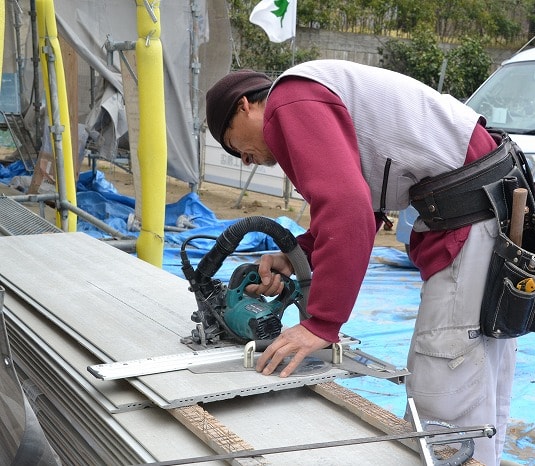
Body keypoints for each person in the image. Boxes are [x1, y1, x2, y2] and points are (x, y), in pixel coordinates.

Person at [205, 60, 517, 466]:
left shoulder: (289, 100)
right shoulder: (312, 93)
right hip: (488, 207)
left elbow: (348, 209)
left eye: (233, 144)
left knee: (445, 387)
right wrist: (297, 255)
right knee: (481, 382)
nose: (243, 160)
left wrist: (321, 324)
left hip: (470, 216)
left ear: (245, 105)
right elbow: (363, 209)